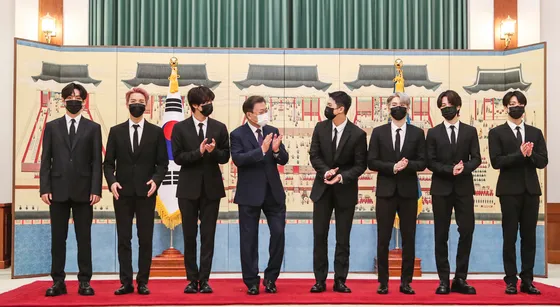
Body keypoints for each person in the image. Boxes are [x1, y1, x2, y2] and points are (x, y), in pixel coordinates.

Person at [104, 87, 169, 295]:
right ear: (127, 104)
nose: (137, 103)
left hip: (146, 193)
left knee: (145, 239)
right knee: (124, 239)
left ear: (146, 104)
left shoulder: (156, 132)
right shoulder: (116, 131)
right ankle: (126, 282)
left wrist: (156, 181)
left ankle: (143, 282)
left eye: (141, 100)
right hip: (121, 193)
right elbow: (107, 164)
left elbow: (162, 164)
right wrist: (112, 182)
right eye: (133, 100)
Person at [39, 83, 102, 297]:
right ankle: (58, 281)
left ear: (84, 101)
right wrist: (44, 188)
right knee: (58, 238)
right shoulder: (52, 126)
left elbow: (97, 162)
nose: (74, 100)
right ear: (63, 100)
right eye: (70, 97)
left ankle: (85, 281)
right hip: (57, 190)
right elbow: (45, 159)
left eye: (78, 97)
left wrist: (96, 189)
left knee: (84, 238)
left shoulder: (93, 128)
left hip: (85, 192)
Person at [171, 86, 230, 294]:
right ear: (195, 105)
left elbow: (225, 156)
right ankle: (191, 278)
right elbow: (178, 158)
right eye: (206, 102)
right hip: (187, 188)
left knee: (208, 235)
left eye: (210, 101)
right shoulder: (180, 128)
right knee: (189, 235)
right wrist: (199, 152)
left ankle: (204, 279)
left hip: (212, 189)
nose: (209, 105)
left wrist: (213, 153)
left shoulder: (220, 127)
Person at [488, 91, 547, 295]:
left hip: (531, 191)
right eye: (512, 103)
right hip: (509, 191)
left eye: (520, 103)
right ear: (506, 107)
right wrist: (519, 154)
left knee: (529, 237)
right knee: (510, 237)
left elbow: (543, 161)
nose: (516, 106)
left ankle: (528, 280)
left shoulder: (535, 132)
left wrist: (530, 156)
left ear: (524, 106)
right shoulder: (497, 133)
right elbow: (497, 162)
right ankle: (511, 280)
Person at [308, 91, 367, 293]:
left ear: (341, 109)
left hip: (345, 191)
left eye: (330, 104)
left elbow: (360, 165)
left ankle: (340, 280)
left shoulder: (358, 134)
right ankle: (320, 280)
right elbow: (314, 155)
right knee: (319, 236)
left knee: (343, 238)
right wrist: (326, 171)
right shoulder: (320, 127)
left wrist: (341, 176)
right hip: (322, 189)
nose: (327, 108)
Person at [367, 92, 426, 295]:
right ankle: (383, 282)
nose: (397, 107)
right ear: (388, 108)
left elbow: (423, 162)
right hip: (386, 191)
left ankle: (406, 282)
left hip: (409, 193)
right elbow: (371, 161)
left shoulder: (417, 133)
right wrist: (392, 166)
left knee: (409, 238)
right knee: (383, 238)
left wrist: (407, 165)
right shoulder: (378, 132)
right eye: (393, 104)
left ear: (407, 108)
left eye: (401, 104)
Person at [230, 96, 289, 295]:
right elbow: (238, 159)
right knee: (248, 239)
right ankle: (251, 281)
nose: (265, 113)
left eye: (266, 109)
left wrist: (274, 151)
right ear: (249, 114)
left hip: (273, 193)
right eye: (261, 110)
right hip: (249, 193)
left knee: (279, 233)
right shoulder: (237, 134)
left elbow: (284, 158)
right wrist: (261, 150)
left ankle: (271, 278)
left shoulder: (272, 131)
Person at [426, 90, 480, 295]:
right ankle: (443, 280)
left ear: (458, 107)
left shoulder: (470, 131)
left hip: (464, 188)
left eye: (448, 105)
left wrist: (464, 167)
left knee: (466, 231)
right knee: (441, 234)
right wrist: (449, 169)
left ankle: (460, 278)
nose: (445, 109)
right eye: (441, 106)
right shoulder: (433, 133)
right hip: (441, 188)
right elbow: (430, 161)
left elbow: (476, 158)